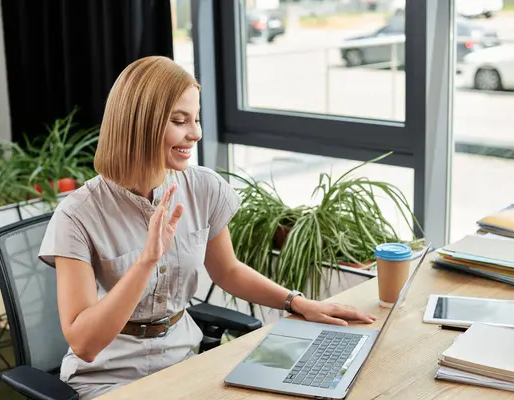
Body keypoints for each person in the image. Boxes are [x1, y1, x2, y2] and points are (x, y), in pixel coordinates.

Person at [38, 56, 377, 399]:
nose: (196, 133)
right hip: (109, 378)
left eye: (196, 119)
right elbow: (84, 344)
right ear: (139, 124)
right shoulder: (78, 214)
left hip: (185, 363)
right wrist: (147, 261)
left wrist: (296, 302)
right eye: (179, 120)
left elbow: (227, 270)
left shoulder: (203, 188)